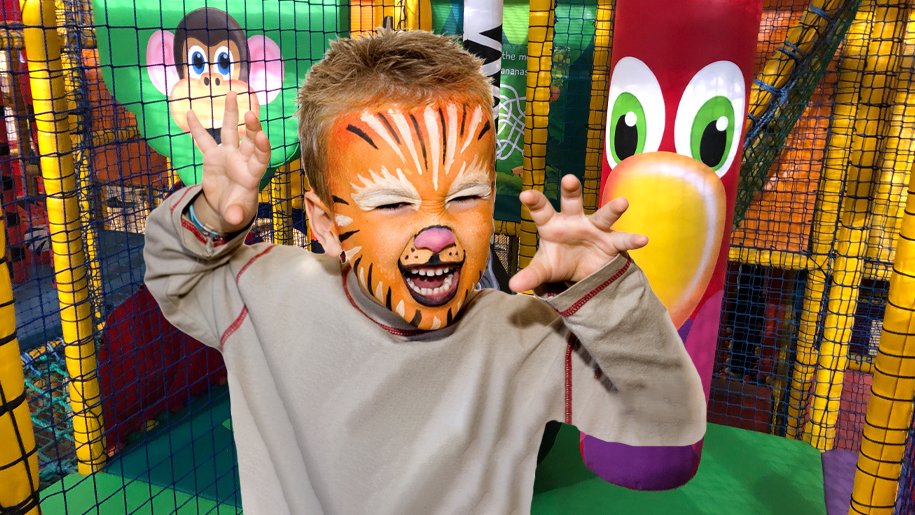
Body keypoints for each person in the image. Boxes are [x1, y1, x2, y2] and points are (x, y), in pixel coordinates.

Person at [144, 29, 706, 514]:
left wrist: (603, 295)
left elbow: (667, 418)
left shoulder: (521, 335)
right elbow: (175, 275)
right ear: (325, 222)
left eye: (465, 196)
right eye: (391, 204)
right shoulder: (266, 294)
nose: (436, 236)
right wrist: (210, 215)